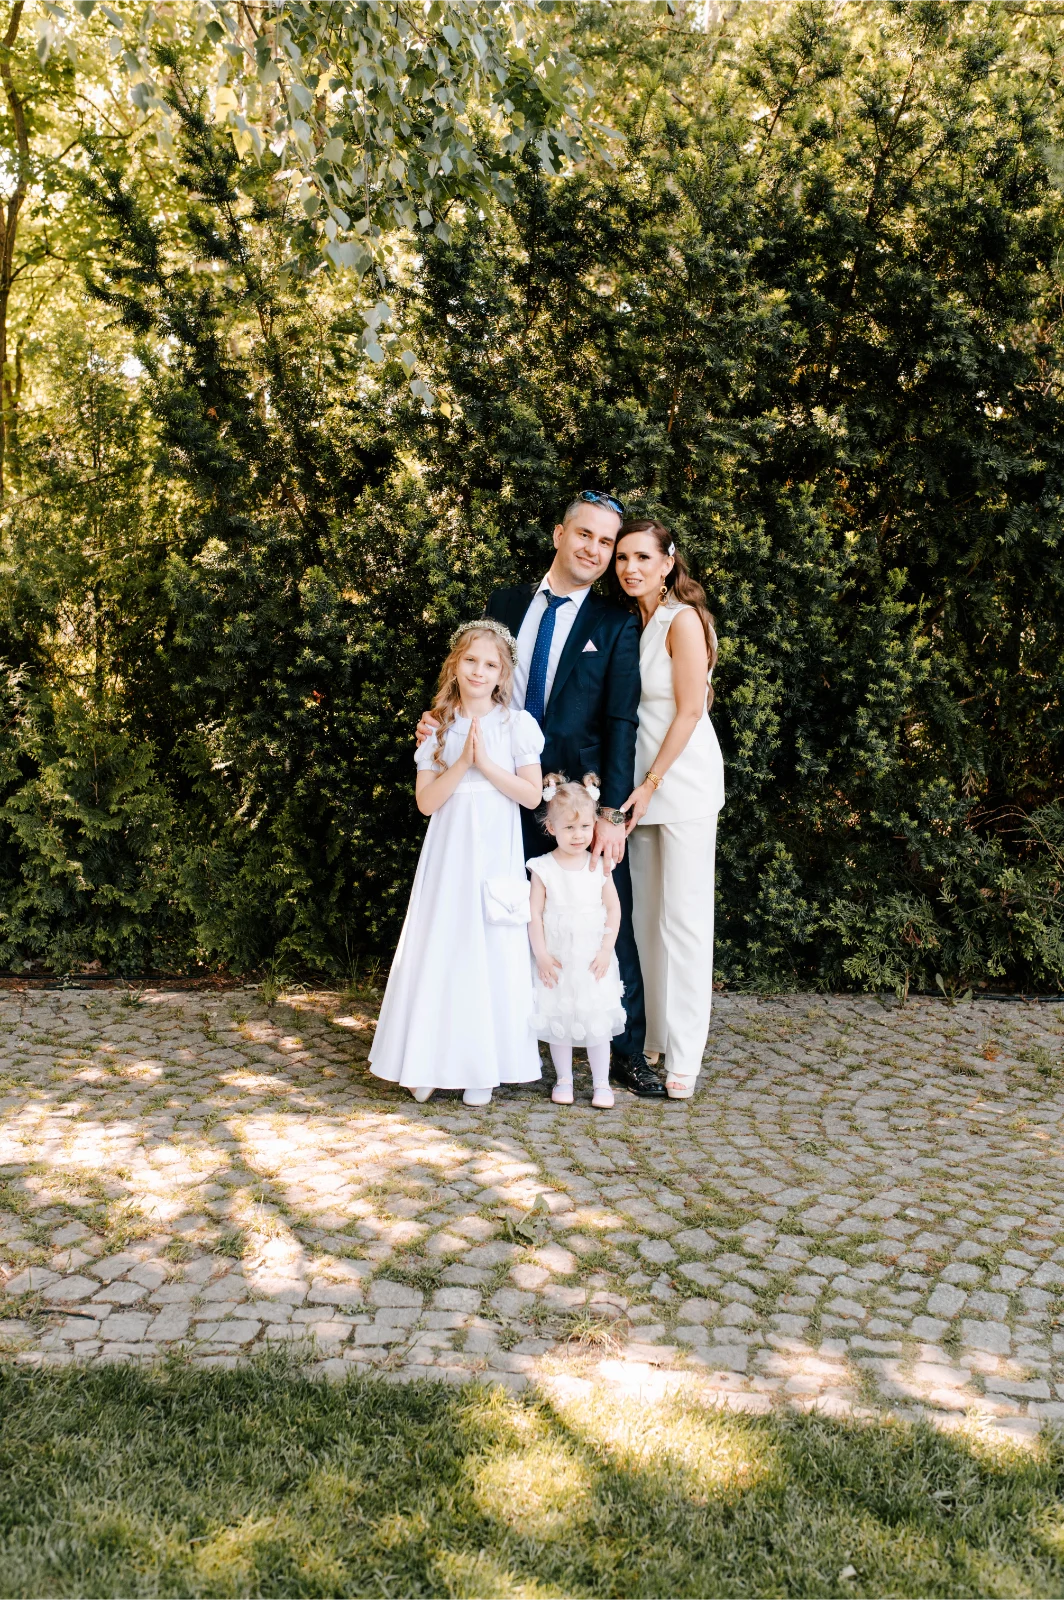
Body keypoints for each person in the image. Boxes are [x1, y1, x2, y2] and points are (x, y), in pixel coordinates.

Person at [370, 620, 544, 1105]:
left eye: (489, 665)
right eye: (470, 660)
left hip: (494, 854)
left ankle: (483, 1068)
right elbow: (427, 803)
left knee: (487, 950)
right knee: (442, 947)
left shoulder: (515, 725)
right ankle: (425, 1061)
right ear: (455, 664)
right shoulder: (437, 726)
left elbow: (532, 796)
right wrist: (462, 763)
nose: (478, 671)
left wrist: (485, 763)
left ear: (502, 674)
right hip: (448, 856)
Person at [613, 520, 725, 1099]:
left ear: (667, 562)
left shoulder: (683, 620)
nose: (630, 568)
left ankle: (686, 1055)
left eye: (642, 557)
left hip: (681, 788)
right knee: (645, 920)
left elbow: (689, 710)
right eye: (622, 558)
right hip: (639, 791)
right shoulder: (631, 622)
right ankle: (654, 1036)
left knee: (684, 921)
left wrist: (652, 783)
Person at [528, 774, 625, 1108]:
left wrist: (606, 950)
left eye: (585, 826)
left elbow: (613, 909)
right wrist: (541, 954)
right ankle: (564, 1079)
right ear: (551, 827)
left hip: (592, 959)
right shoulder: (542, 868)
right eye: (569, 828)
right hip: (557, 959)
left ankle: (602, 1084)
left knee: (596, 1020)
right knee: (559, 1017)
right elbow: (534, 914)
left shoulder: (598, 865)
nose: (578, 835)